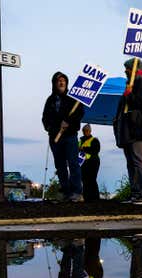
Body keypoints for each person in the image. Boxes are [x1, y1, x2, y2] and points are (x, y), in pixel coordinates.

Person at [114, 59, 142, 205]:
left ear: (134, 70)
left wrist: (130, 95)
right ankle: (136, 193)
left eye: (128, 69)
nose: (125, 71)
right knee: (131, 163)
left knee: (138, 160)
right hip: (128, 131)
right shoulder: (129, 86)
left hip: (137, 129)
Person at [42, 71, 85, 203]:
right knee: (60, 166)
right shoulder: (50, 100)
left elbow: (79, 113)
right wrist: (53, 128)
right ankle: (66, 192)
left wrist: (69, 124)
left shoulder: (73, 99)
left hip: (70, 136)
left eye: (63, 81)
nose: (61, 83)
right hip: (55, 138)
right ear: (54, 84)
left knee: (73, 164)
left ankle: (77, 192)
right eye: (58, 81)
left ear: (66, 83)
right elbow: (45, 119)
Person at [79, 124, 101, 202]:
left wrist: (84, 148)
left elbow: (96, 150)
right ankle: (86, 197)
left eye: (87, 131)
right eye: (84, 131)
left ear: (90, 131)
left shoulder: (94, 140)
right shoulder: (80, 140)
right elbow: (77, 150)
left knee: (92, 179)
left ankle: (95, 198)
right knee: (84, 180)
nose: (85, 132)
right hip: (83, 163)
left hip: (93, 162)